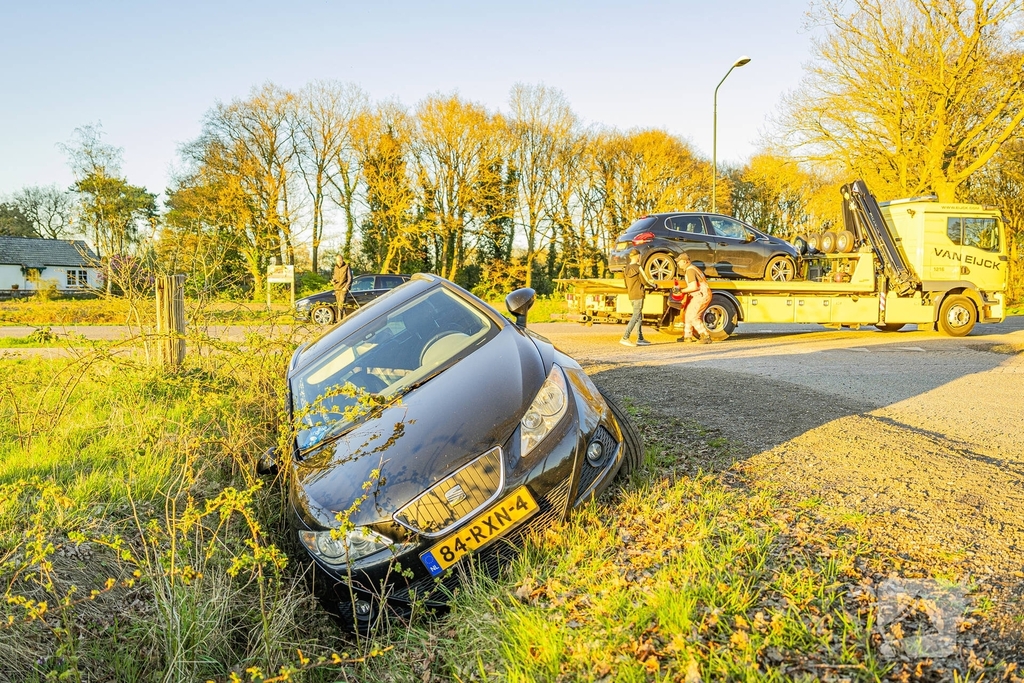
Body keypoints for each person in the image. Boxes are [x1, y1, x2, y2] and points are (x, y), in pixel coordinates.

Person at [674, 252, 713, 344]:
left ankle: (705, 336)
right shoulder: (693, 268)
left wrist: (681, 291)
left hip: (701, 295)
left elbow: (693, 287)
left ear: (685, 261)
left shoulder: (690, 270)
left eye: (679, 262)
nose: (678, 264)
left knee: (694, 316)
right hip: (700, 295)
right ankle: (687, 336)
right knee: (688, 314)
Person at [620, 250, 655, 347]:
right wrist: (654, 285)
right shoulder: (638, 267)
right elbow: (645, 281)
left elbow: (625, 283)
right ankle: (625, 337)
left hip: (631, 294)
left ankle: (640, 338)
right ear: (638, 256)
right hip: (639, 294)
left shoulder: (626, 268)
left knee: (639, 316)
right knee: (636, 316)